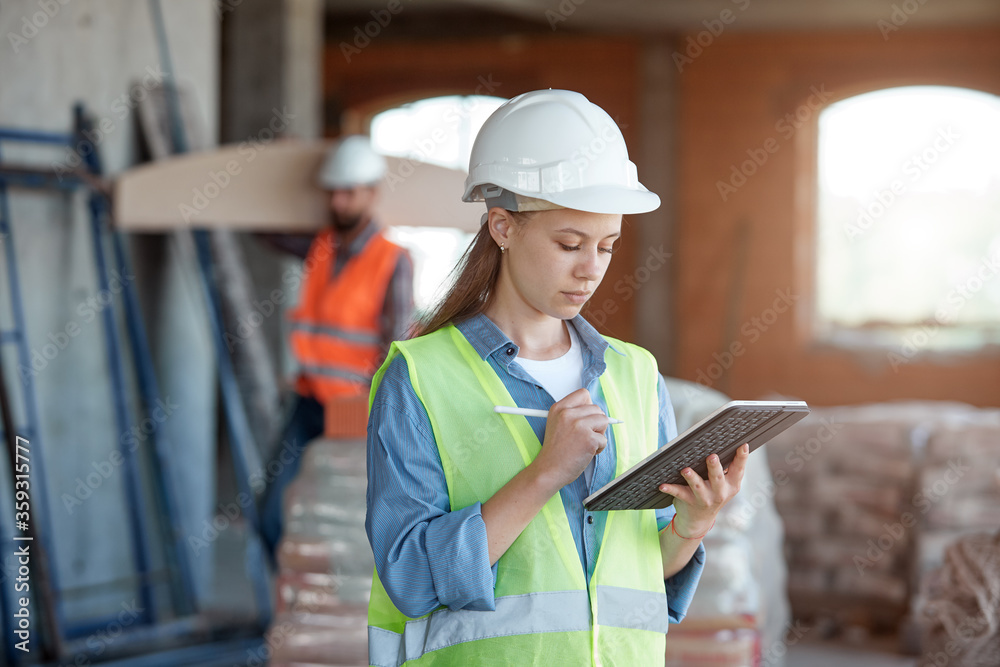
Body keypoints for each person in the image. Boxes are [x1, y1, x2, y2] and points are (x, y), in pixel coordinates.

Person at [365, 89, 748, 665]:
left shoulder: (634, 374)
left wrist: (692, 527)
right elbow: (414, 577)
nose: (591, 268)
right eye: (569, 244)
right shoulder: (420, 377)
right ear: (502, 227)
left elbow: (641, 575)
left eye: (607, 246)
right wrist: (545, 472)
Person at [259, 135, 414, 559]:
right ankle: (294, 602)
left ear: (372, 192)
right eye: (333, 193)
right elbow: (268, 233)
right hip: (309, 399)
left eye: (349, 192)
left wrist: (377, 411)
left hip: (354, 408)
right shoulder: (322, 247)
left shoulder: (392, 259)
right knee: (271, 516)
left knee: (340, 521)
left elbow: (396, 347)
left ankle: (331, 613)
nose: (339, 202)